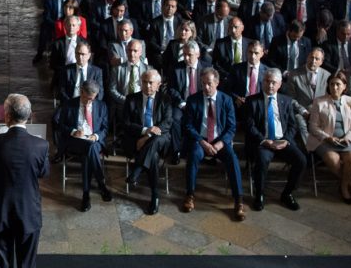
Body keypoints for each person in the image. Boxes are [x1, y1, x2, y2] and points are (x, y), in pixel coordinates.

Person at [0, 93, 47, 268]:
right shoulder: (41, 146)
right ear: (29, 116)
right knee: (27, 264)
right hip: (28, 211)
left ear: (7, 116)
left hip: (0, 211)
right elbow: (43, 173)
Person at [182, 67, 245, 221]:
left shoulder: (226, 100)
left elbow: (231, 127)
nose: (206, 87)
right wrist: (202, 142)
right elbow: (188, 126)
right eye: (203, 84)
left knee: (232, 158)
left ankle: (239, 201)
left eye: (209, 83)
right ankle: (190, 195)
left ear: (217, 83)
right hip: (201, 139)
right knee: (194, 155)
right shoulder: (193, 99)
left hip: (220, 141)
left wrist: (220, 144)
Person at [243, 68, 305, 211]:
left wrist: (286, 140)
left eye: (273, 83)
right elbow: (250, 126)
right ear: (262, 82)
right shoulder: (252, 101)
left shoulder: (286, 100)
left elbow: (292, 125)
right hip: (263, 142)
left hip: (282, 141)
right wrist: (264, 141)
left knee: (301, 160)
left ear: (279, 84)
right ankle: (259, 194)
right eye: (267, 81)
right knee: (262, 159)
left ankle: (287, 193)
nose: (270, 85)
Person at [122, 69, 179, 215]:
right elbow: (126, 124)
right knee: (152, 157)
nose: (147, 86)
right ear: (141, 82)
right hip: (138, 140)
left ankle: (137, 169)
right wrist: (145, 131)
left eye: (151, 83)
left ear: (158, 85)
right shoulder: (131, 99)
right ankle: (155, 196)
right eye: (145, 82)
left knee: (155, 142)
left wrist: (149, 135)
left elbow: (167, 123)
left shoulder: (165, 99)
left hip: (160, 140)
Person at [53, 80, 111, 212]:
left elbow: (105, 129)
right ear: (81, 92)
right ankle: (101, 184)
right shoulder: (68, 105)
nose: (89, 102)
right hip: (74, 141)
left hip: (93, 141)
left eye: (92, 99)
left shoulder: (101, 106)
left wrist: (96, 136)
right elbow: (60, 126)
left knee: (89, 151)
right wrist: (74, 131)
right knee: (89, 148)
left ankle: (86, 195)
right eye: (87, 98)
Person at [307, 73, 351, 204]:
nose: (334, 87)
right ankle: (349, 185)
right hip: (324, 139)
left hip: (345, 139)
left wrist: (348, 137)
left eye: (338, 84)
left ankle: (344, 185)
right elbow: (313, 127)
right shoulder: (319, 102)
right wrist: (327, 138)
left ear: (344, 86)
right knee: (333, 160)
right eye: (332, 84)